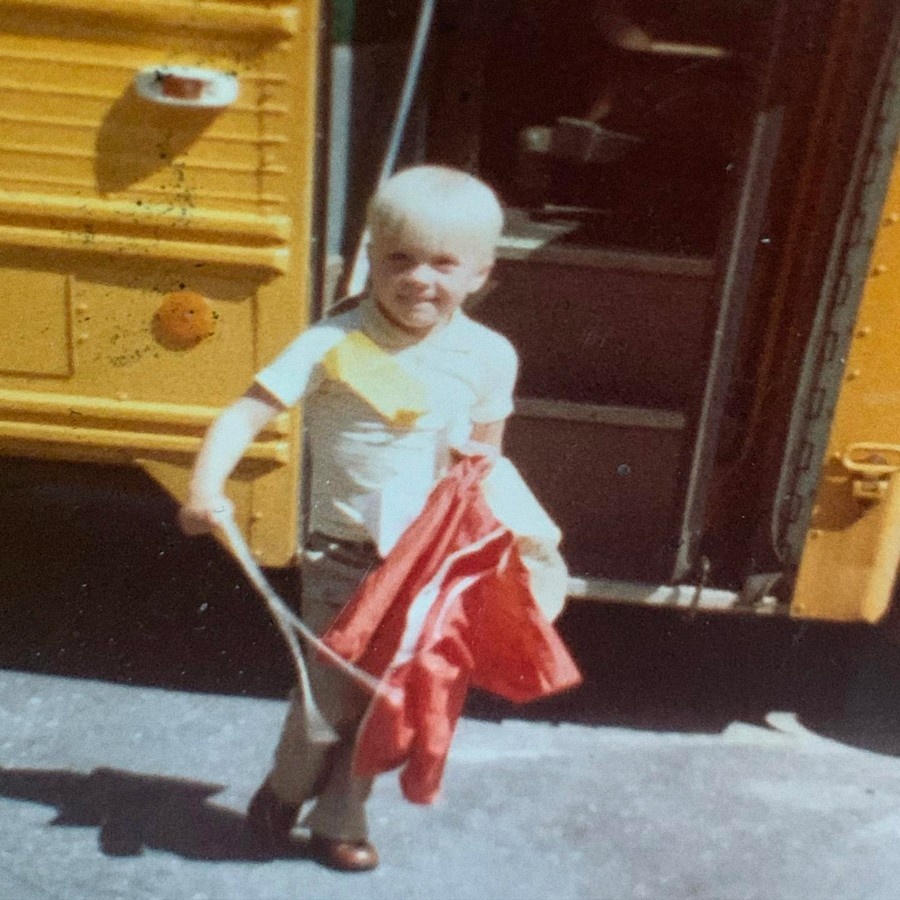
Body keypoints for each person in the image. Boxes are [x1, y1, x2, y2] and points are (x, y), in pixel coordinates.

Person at [178, 164, 518, 872]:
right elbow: (245, 414)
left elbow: (484, 463)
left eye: (443, 264)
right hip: (342, 556)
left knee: (385, 700)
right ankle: (287, 785)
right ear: (371, 259)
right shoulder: (333, 343)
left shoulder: (489, 356)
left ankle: (341, 818)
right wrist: (206, 485)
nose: (419, 279)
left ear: (481, 273)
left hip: (423, 564)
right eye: (399, 258)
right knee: (327, 701)